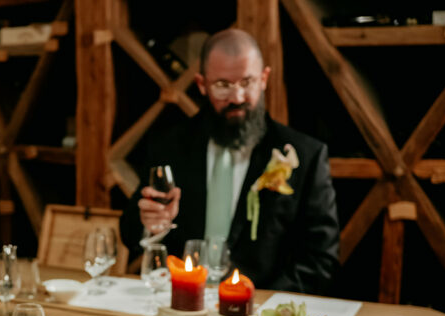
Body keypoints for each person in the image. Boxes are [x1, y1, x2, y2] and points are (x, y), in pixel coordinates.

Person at [120, 28, 339, 294]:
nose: (236, 98)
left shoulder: (306, 156)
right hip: (182, 304)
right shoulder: (170, 146)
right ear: (202, 84)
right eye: (223, 85)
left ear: (264, 79)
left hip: (261, 311)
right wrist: (152, 225)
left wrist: (257, 303)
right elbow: (130, 233)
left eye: (246, 82)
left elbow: (320, 261)